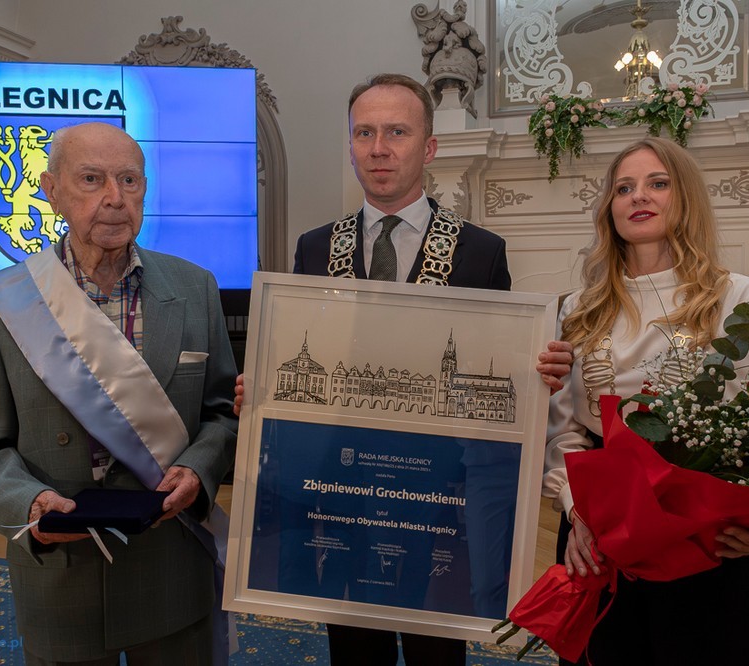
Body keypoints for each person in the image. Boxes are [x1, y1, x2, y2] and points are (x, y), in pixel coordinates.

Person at [233, 73, 572, 666]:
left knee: (433, 631)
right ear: (350, 146)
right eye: (364, 133)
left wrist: (541, 368)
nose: (379, 148)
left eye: (396, 132)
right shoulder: (315, 248)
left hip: (437, 485)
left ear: (429, 146)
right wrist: (261, 384)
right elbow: (300, 352)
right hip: (338, 478)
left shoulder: (480, 251)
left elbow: (503, 366)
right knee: (352, 632)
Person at [0, 122, 238, 665]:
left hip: (170, 569)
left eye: (129, 180)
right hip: (62, 576)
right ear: (51, 190)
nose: (115, 198)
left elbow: (222, 415)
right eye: (92, 179)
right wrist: (30, 506)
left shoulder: (195, 288)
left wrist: (198, 470)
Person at [542, 136, 749, 665]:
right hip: (600, 525)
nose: (638, 196)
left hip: (705, 528)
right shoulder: (577, 308)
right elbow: (565, 430)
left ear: (686, 197)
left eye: (657, 183)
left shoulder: (739, 297)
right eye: (623, 188)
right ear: (609, 209)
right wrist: (578, 510)